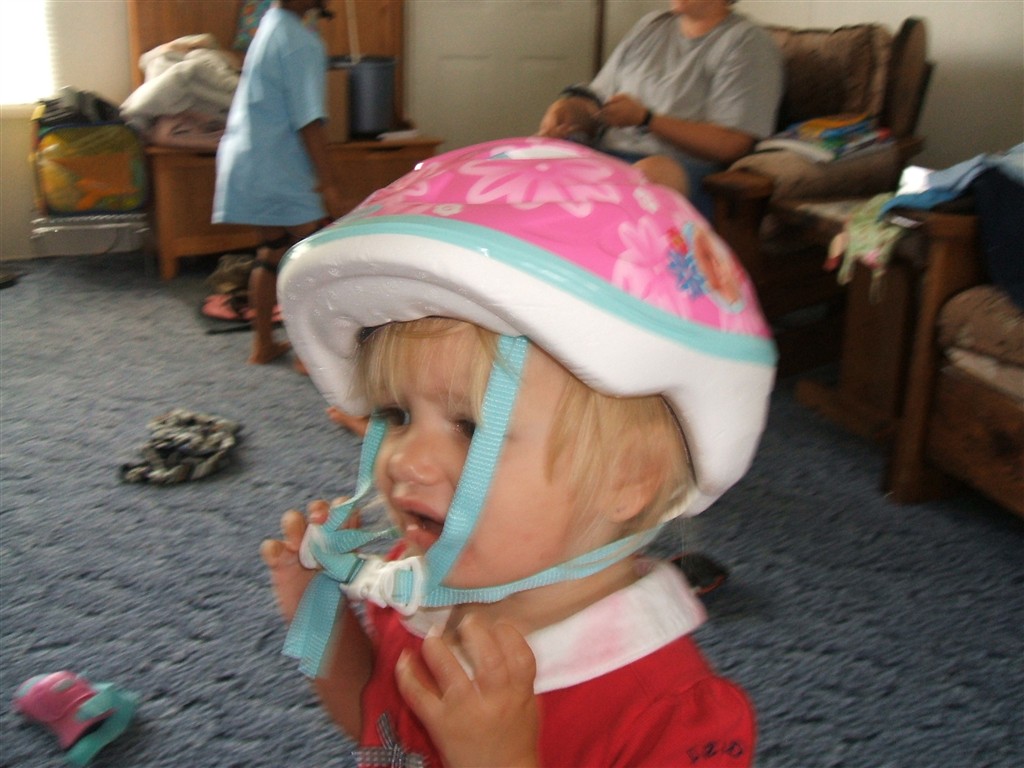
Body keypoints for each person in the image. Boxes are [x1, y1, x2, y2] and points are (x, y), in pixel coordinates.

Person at [262, 137, 777, 766]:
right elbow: (380, 730)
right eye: (396, 416)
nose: (405, 462)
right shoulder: (422, 580)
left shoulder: (669, 718)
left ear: (629, 478)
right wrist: (315, 610)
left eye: (470, 428)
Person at [537, 0, 783, 218]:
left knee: (650, 173)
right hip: (608, 157)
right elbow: (597, 103)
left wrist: (647, 119)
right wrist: (567, 110)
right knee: (539, 157)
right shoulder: (651, 26)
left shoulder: (747, 42)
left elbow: (733, 143)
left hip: (683, 174)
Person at [213, 0, 344, 365]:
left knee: (272, 250)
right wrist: (329, 183)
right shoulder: (301, 42)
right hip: (277, 165)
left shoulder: (270, 23)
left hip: (247, 159)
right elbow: (309, 121)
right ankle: (308, 355)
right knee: (312, 258)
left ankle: (263, 345)